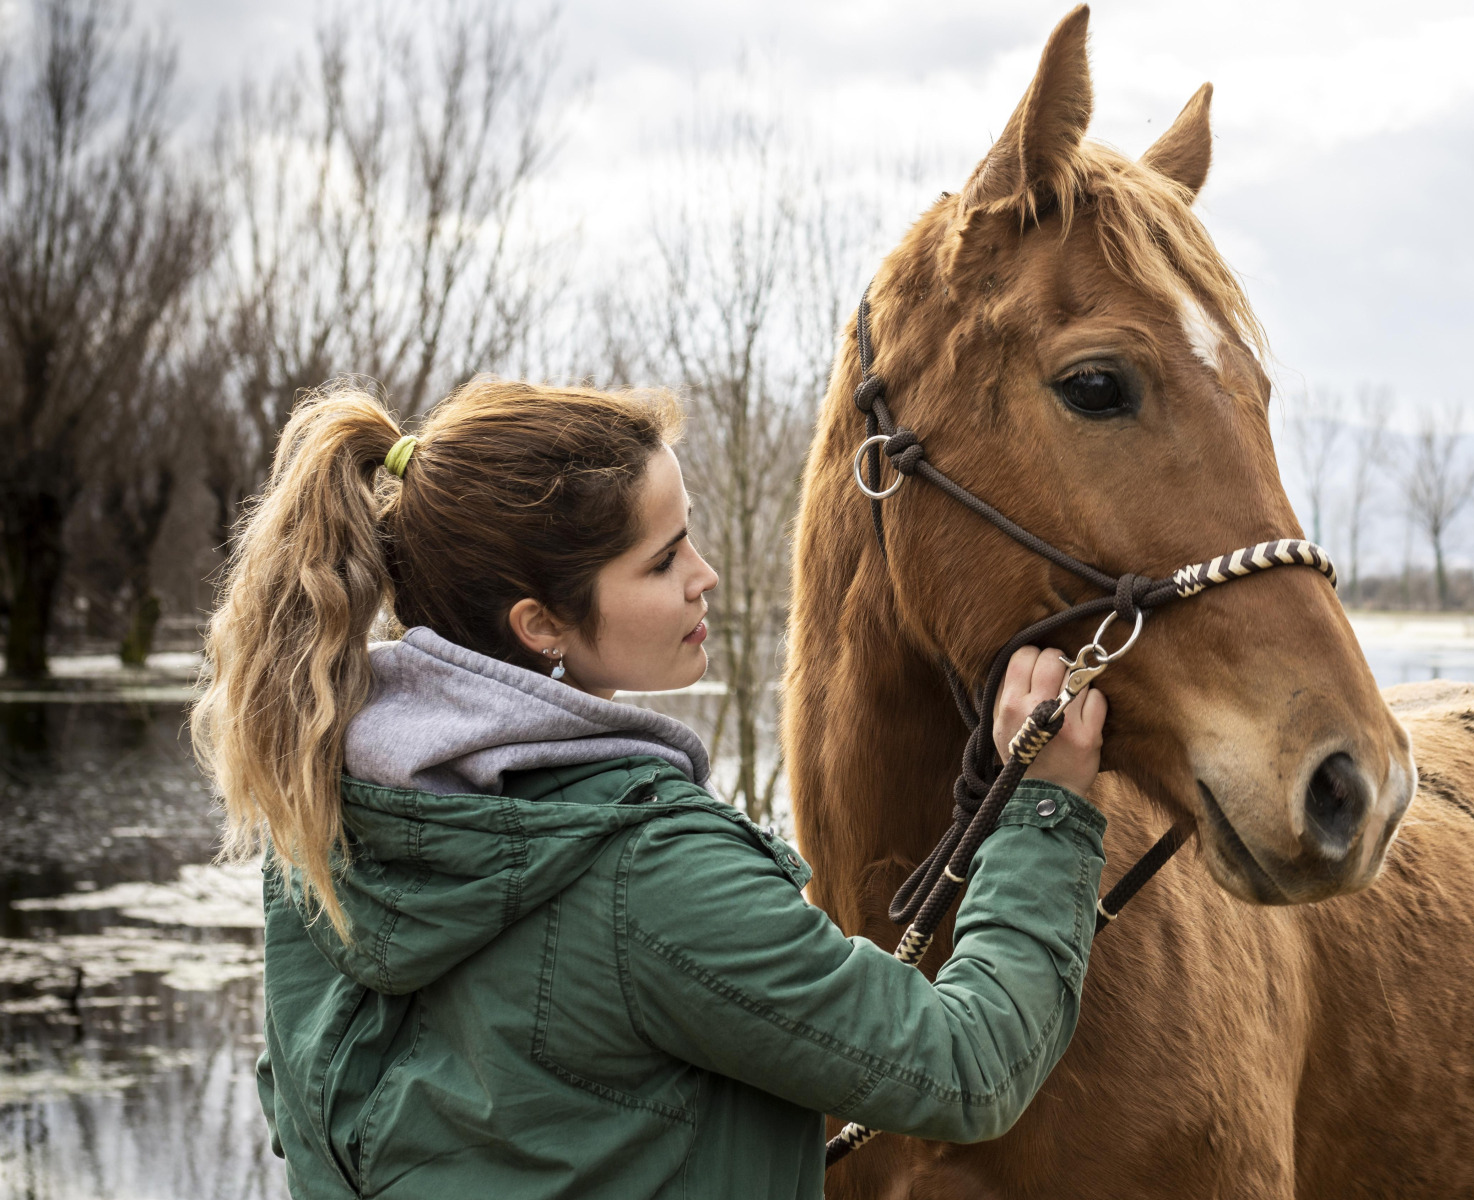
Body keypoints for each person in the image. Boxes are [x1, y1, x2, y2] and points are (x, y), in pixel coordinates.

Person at [190, 377, 1109, 1200]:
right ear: (540, 622)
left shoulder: (318, 813)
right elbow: (966, 1067)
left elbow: (317, 1111)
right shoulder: (652, 868)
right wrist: (1046, 810)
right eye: (663, 560)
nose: (705, 577)